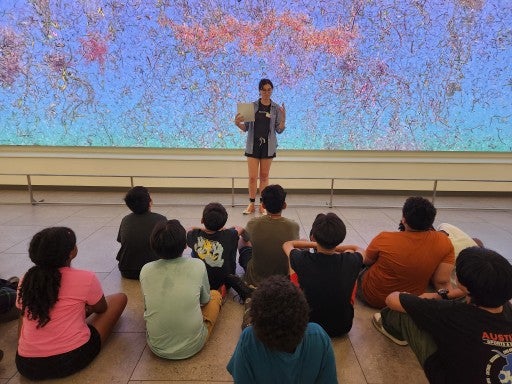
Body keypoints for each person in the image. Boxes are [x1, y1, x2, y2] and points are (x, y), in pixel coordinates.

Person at [373, 246, 512, 384]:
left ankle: (390, 327)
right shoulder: (505, 307)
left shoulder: (449, 313)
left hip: (446, 376)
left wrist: (423, 299)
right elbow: (469, 293)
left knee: (402, 312)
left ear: (462, 283)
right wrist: (444, 295)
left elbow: (393, 299)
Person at [16, 227, 127, 381]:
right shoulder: (85, 278)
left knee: (28, 311)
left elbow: (23, 314)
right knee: (119, 298)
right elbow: (101, 308)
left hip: (26, 364)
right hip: (72, 358)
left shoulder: (26, 279)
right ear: (72, 252)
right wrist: (84, 309)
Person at [227, 275, 338, 383]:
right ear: (304, 313)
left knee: (247, 321)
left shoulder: (249, 339)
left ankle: (248, 299)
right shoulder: (318, 336)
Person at [140, 219, 222, 359]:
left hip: (156, 347)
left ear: (153, 246)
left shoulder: (146, 269)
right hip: (194, 344)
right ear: (185, 246)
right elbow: (205, 299)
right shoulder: (197, 265)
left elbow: (146, 306)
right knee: (215, 295)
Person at [360, 196, 456, 308]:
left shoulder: (384, 238)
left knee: (356, 263)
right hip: (409, 301)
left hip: (373, 297)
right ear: (431, 221)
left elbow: (367, 261)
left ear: (404, 220)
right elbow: (442, 281)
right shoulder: (444, 241)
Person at [283, 212, 365, 337]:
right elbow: (358, 249)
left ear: (314, 236)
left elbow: (288, 244)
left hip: (306, 325)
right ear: (341, 237)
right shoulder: (350, 261)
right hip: (342, 327)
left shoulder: (302, 259)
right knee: (351, 259)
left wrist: (316, 244)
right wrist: (337, 247)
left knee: (292, 260)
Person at [234, 78, 286, 215]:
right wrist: (237, 123)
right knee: (252, 177)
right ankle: (251, 204)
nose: (267, 93)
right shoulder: (252, 107)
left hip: (268, 146)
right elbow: (245, 128)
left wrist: (283, 121)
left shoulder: (276, 109)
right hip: (253, 145)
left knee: (264, 176)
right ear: (259, 91)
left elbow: (279, 130)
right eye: (264, 90)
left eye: (269, 90)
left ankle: (263, 205)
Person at [186, 202, 254, 301]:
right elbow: (242, 231)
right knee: (235, 242)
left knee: (194, 250)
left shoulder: (193, 235)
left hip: (202, 281)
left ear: (202, 220)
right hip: (225, 281)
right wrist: (226, 229)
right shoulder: (230, 234)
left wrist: (203, 229)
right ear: (223, 223)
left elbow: (189, 228)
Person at [238, 184, 299, 287]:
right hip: (283, 280)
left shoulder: (253, 223)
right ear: (284, 205)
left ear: (263, 206)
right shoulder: (293, 226)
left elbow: (245, 239)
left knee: (242, 241)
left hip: (255, 279)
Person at [116, 186, 167, 279]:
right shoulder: (161, 219)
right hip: (154, 271)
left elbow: (121, 241)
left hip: (127, 271)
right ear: (150, 202)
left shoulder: (126, 220)